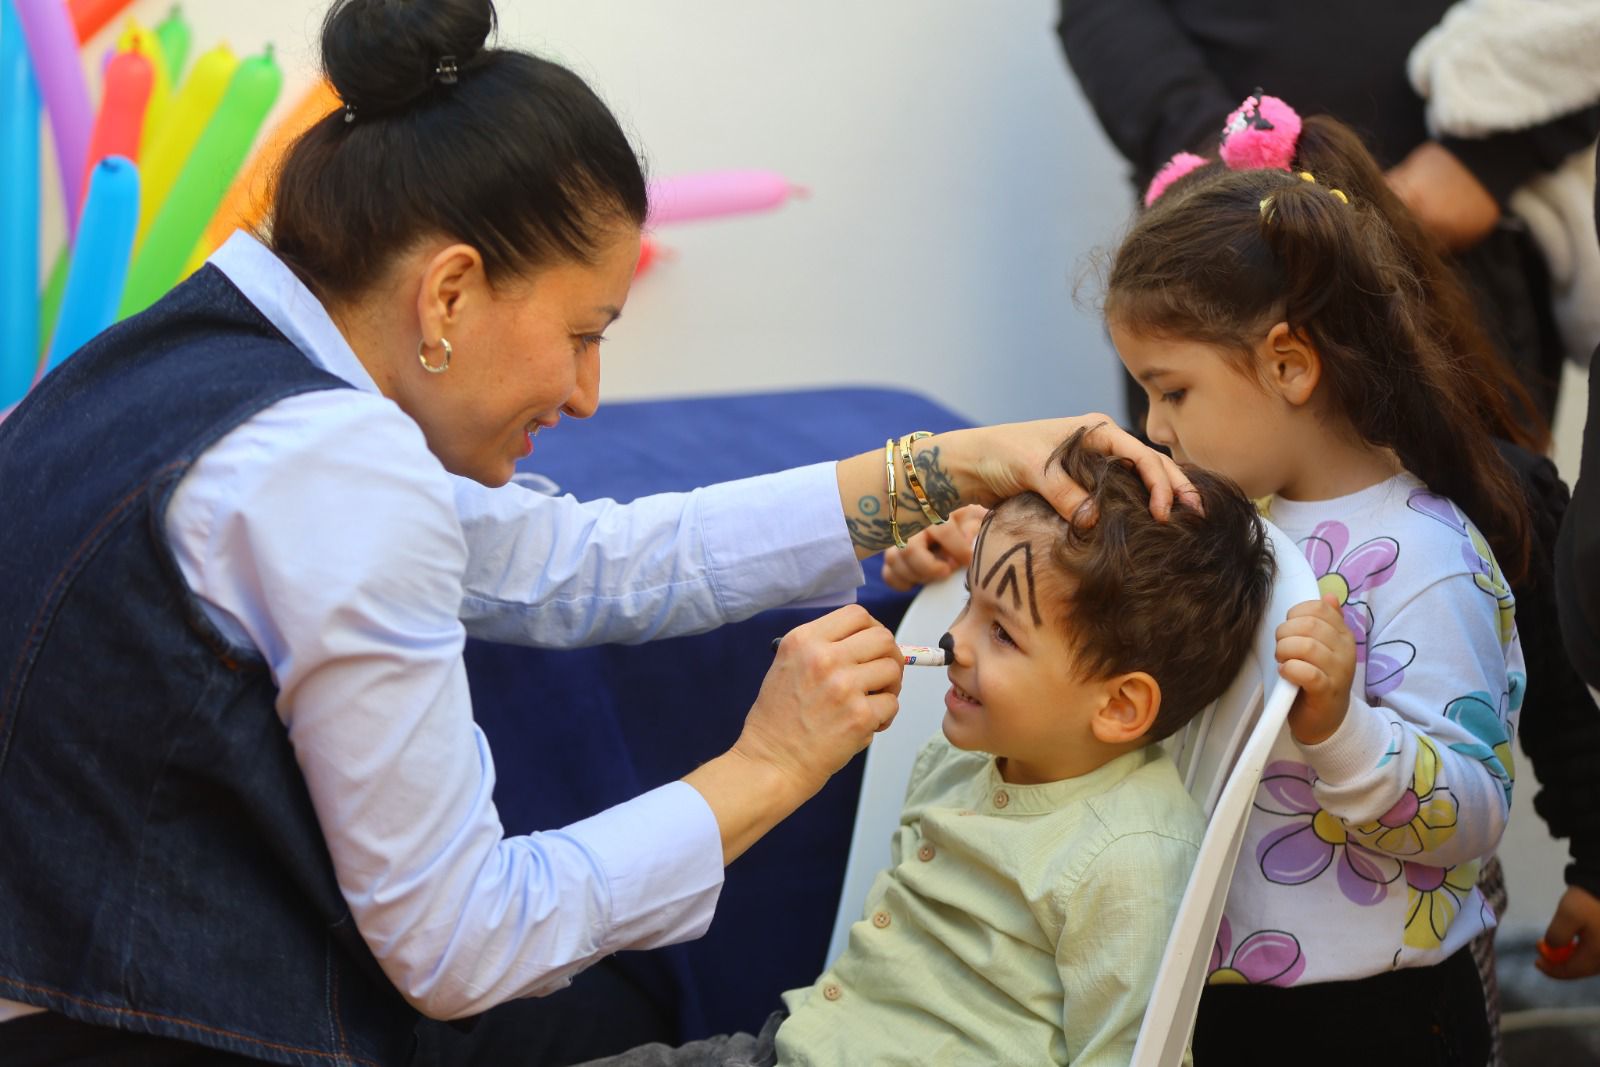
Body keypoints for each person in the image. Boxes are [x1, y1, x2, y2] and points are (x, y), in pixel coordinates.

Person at [0, 2, 1199, 1065]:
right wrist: (768, 765)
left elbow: (575, 563)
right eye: (584, 331)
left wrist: (937, 467)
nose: (583, 392)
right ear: (450, 292)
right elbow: (458, 947)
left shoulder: (206, 345)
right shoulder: (329, 469)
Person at [891, 98, 1533, 1064]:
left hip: (1365, 1019)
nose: (1154, 429)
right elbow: (1082, 636)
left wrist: (1342, 726)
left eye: (1172, 389)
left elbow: (1475, 818)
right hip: (1189, 989)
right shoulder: (1207, 518)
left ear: (1288, 364)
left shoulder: (1430, 554)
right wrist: (980, 567)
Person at [572, 430, 1275, 1067]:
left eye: (1001, 631)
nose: (954, 640)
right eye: (969, 600)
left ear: (1120, 706)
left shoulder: (1131, 858)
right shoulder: (970, 752)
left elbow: (1130, 1053)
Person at [1055, 0, 1600, 432]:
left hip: (1450, 260)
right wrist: (1234, 166)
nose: (1159, 425)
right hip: (1219, 264)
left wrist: (1485, 163)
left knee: (1480, 540)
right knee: (1217, 548)